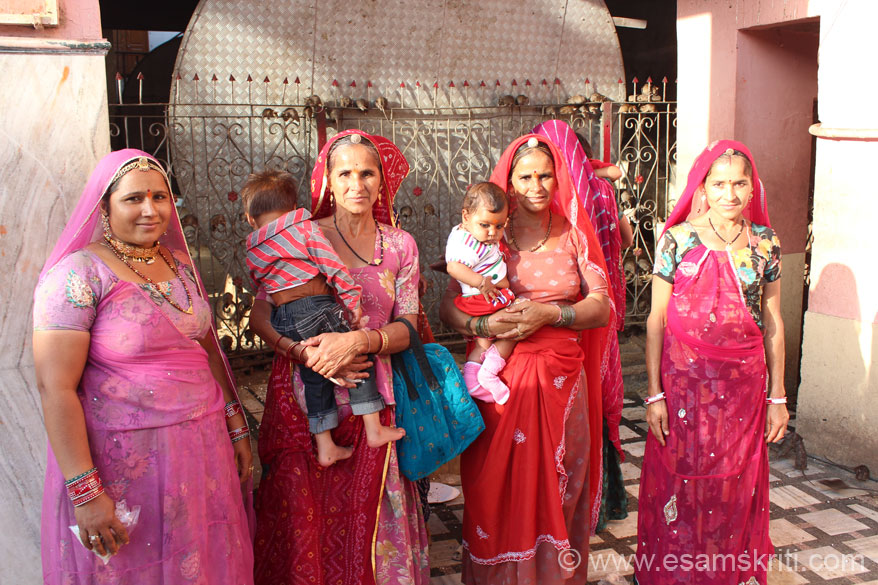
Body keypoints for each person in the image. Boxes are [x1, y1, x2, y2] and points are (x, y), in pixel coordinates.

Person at [33, 149, 254, 585]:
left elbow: (207, 350)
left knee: (203, 558)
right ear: (104, 207)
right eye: (134, 198)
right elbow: (55, 387)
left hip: (203, 451)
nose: (150, 210)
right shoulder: (78, 276)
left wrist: (235, 424)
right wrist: (86, 492)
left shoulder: (180, 264)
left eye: (160, 196)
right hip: (125, 464)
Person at [250, 129, 429, 585]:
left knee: (372, 527)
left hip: (375, 400)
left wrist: (357, 342)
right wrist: (302, 353)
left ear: (382, 181)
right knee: (308, 523)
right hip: (305, 402)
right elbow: (261, 315)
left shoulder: (400, 245)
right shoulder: (300, 234)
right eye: (345, 172)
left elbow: (408, 326)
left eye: (367, 173)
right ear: (327, 180)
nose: (357, 184)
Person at [440, 134, 613, 584]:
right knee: (497, 489)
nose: (536, 186)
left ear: (558, 179)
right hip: (500, 381)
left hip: (560, 381)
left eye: (545, 175)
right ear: (509, 182)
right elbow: (447, 305)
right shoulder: (488, 231)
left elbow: (602, 306)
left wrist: (551, 314)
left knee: (560, 484)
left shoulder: (574, 234)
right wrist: (481, 326)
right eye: (525, 177)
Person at [636, 140, 788, 584]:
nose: (730, 194)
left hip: (743, 388)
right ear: (702, 187)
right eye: (719, 184)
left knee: (732, 483)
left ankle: (721, 574)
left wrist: (778, 396)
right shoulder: (678, 239)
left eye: (739, 183)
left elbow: (773, 321)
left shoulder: (765, 243)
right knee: (681, 480)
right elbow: (656, 319)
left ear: (752, 187)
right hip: (684, 388)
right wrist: (654, 394)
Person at [242, 169, 404, 467]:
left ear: (250, 218)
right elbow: (333, 267)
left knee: (314, 377)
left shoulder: (252, 247)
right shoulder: (304, 229)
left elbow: (259, 284)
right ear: (293, 207)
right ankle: (374, 428)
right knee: (358, 358)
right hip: (316, 307)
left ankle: (325, 445)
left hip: (284, 319)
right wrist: (353, 304)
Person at [533, 120, 629, 531]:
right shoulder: (602, 189)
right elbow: (624, 238)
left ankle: (563, 512)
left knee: (575, 408)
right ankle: (603, 503)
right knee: (597, 398)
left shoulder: (564, 200)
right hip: (600, 304)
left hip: (577, 314)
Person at [445, 181, 516, 404]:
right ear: (466, 216)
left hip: (480, 298)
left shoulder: (467, 234)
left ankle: (472, 381)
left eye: (499, 226)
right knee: (516, 328)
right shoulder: (470, 243)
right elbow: (453, 267)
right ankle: (489, 372)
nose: (492, 232)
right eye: (485, 225)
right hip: (486, 298)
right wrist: (482, 283)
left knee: (482, 343)